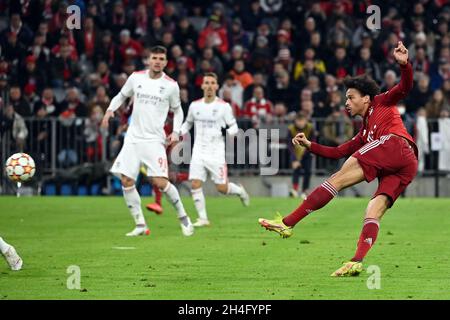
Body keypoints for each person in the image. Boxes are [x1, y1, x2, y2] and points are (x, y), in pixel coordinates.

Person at [259, 42, 418, 277]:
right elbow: (338, 151)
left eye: (351, 97)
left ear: (366, 98)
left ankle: (289, 222)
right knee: (373, 210)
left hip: (396, 145)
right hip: (407, 163)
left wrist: (405, 65)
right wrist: (309, 145)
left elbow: (405, 87)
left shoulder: (381, 102)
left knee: (339, 177)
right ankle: (356, 261)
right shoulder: (365, 132)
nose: (346, 102)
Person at [101, 46, 194, 237]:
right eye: (154, 58)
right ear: (148, 60)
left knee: (160, 182)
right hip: (133, 138)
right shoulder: (136, 77)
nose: (158, 61)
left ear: (166, 62)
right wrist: (110, 109)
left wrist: (176, 132)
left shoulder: (170, 85)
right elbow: (122, 95)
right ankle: (140, 224)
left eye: (161, 58)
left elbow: (177, 110)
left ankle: (184, 218)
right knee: (126, 180)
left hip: (154, 140)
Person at [180, 72, 250, 227]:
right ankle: (203, 218)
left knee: (222, 188)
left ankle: (239, 191)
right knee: (195, 183)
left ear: (217, 86)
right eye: (207, 82)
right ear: (202, 85)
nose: (210, 86)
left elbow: (232, 125)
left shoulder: (223, 107)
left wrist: (233, 134)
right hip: (198, 150)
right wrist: (178, 133)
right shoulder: (194, 105)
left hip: (216, 152)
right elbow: (188, 123)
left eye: (213, 83)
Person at [287, 112, 314, 199]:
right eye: (299, 121)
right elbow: (289, 144)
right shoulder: (291, 129)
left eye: (302, 121)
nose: (300, 123)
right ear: (295, 121)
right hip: (295, 152)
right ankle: (295, 190)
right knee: (296, 170)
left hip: (307, 152)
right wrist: (295, 159)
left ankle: (304, 191)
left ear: (306, 121)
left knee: (308, 171)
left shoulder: (310, 128)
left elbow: (313, 142)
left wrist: (302, 156)